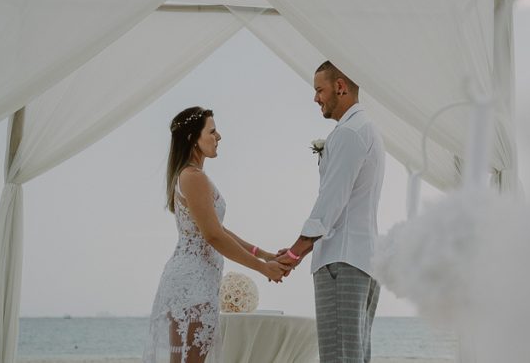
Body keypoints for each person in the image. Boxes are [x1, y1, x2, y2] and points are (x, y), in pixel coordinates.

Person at [144, 107, 288, 363]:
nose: (218, 136)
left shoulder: (190, 176)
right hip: (192, 284)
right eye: (212, 131)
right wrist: (263, 269)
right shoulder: (193, 177)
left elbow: (218, 230)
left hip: (194, 281)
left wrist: (263, 254)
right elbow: (214, 236)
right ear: (192, 138)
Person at [275, 62, 386, 363]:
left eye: (319, 90)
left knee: (340, 357)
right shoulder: (365, 129)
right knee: (355, 355)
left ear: (340, 86)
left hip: (342, 261)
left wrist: (296, 252)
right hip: (361, 258)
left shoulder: (350, 133)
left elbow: (331, 203)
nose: (316, 98)